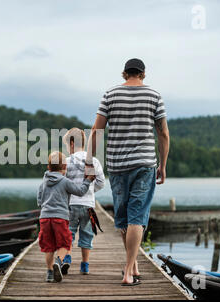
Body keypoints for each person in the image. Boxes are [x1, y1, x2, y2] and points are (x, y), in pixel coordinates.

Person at [85, 58, 170, 286]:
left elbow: (96, 130)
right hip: (144, 165)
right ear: (143, 74)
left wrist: (88, 162)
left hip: (118, 165)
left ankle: (131, 266)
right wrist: (162, 165)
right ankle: (129, 272)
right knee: (136, 219)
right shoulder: (154, 95)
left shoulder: (110, 94)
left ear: (124, 74)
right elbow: (163, 134)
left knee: (124, 220)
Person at [37, 151, 95, 283]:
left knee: (49, 246)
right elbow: (80, 191)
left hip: (44, 218)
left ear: (48, 167)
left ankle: (50, 273)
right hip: (60, 217)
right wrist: (87, 180)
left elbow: (39, 200)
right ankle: (58, 261)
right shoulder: (65, 181)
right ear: (65, 167)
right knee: (66, 243)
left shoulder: (43, 182)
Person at [61, 128, 105, 275]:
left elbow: (62, 183)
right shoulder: (93, 161)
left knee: (69, 233)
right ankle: (84, 265)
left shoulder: (66, 162)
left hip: (71, 205)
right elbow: (101, 182)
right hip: (88, 207)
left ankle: (66, 258)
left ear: (72, 144)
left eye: (67, 146)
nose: (67, 149)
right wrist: (91, 190)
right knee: (87, 234)